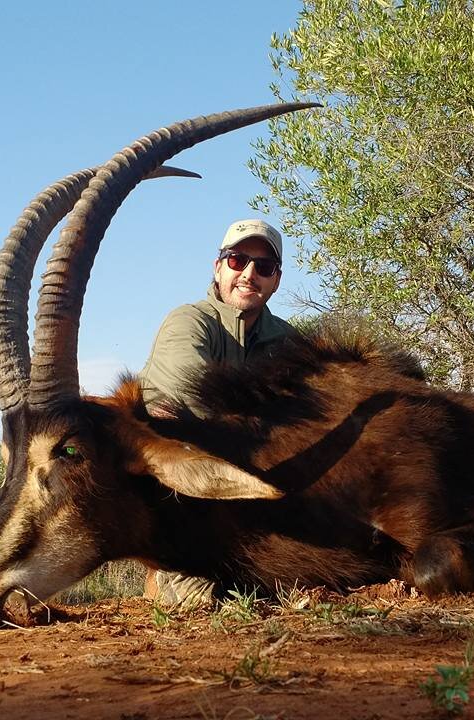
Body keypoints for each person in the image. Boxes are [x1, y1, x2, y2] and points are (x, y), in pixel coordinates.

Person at [139, 218, 296, 605]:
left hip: (250, 469)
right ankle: (183, 575)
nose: (249, 274)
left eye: (263, 267)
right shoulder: (188, 321)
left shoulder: (289, 342)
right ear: (218, 267)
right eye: (238, 260)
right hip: (182, 468)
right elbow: (194, 402)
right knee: (176, 430)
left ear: (276, 280)